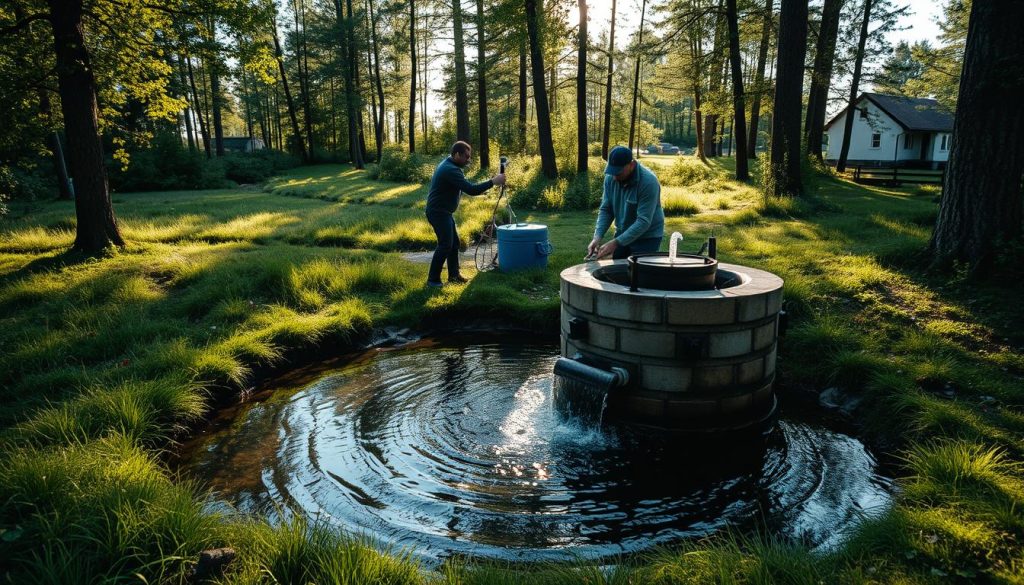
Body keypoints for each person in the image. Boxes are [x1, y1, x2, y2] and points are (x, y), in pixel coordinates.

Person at [425, 141, 506, 287]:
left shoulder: (449, 164)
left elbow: (465, 186)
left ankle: (454, 276)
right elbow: (471, 189)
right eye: (466, 157)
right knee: (445, 245)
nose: (468, 160)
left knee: (454, 244)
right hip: (438, 212)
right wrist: (493, 181)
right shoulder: (451, 169)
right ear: (457, 154)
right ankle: (433, 280)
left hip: (443, 212)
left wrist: (485, 187)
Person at [586, 145, 665, 260]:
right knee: (618, 270)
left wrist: (615, 243)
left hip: (648, 237)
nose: (614, 177)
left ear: (632, 165)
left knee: (641, 273)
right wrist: (597, 237)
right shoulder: (611, 178)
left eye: (618, 172)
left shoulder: (649, 182)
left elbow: (643, 221)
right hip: (623, 231)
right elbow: (606, 210)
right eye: (612, 171)